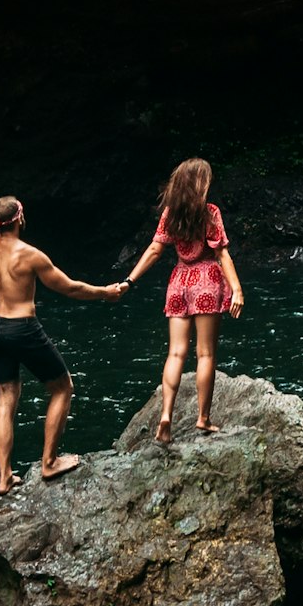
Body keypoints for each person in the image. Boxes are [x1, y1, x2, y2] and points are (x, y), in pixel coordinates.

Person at [0, 195, 127, 497]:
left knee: (5, 399)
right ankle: (49, 462)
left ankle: (4, 477)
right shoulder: (30, 255)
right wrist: (106, 293)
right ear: (19, 218)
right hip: (23, 328)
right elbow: (69, 287)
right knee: (62, 387)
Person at [119, 157, 243, 439]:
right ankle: (203, 418)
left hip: (178, 282)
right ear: (200, 184)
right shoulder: (210, 213)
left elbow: (154, 250)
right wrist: (237, 289)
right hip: (207, 282)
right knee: (206, 354)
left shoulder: (170, 214)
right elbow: (222, 255)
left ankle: (165, 418)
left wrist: (129, 280)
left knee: (175, 353)